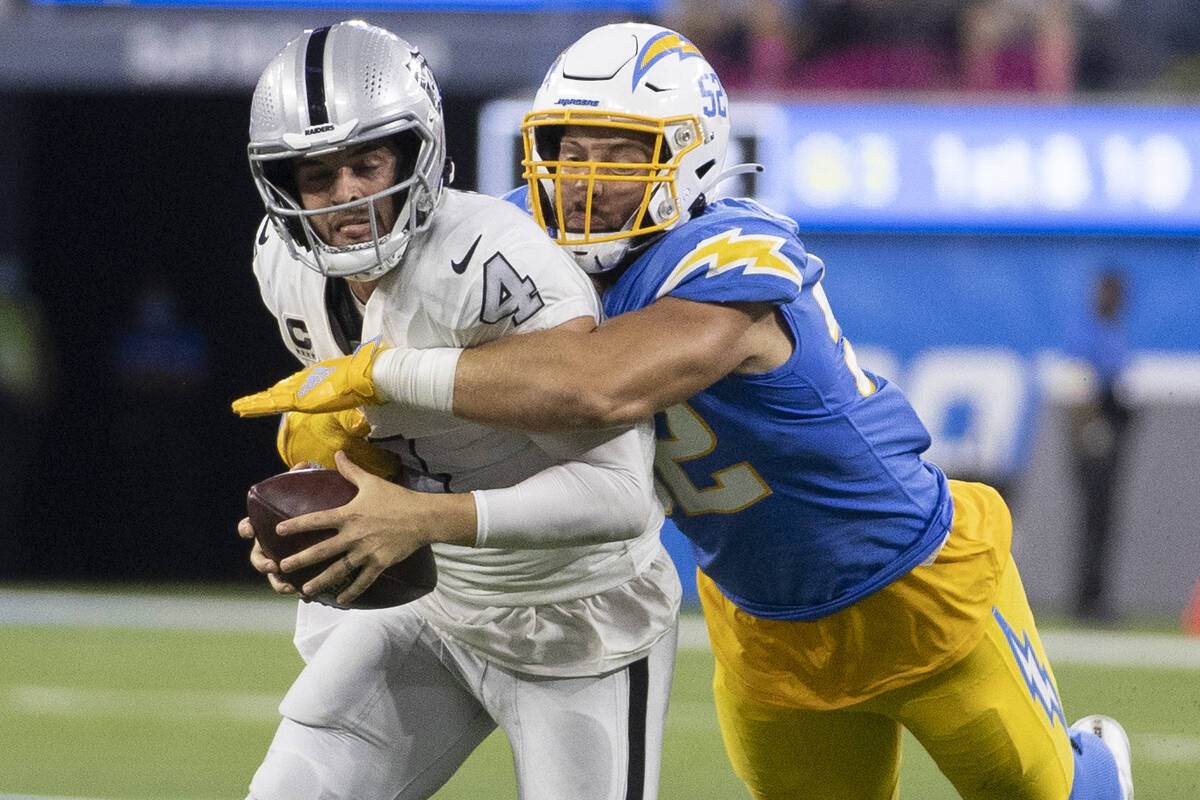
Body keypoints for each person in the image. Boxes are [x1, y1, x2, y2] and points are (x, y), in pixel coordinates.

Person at [235, 22, 1134, 800]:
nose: (583, 179)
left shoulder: (732, 256)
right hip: (762, 621)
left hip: (915, 582)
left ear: (689, 154)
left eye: (621, 153)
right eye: (568, 150)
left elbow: (597, 385)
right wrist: (345, 464)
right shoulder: (515, 244)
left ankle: (1099, 768)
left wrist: (381, 374)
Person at [231, 20, 680, 800]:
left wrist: (420, 518)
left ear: (417, 154)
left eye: (367, 164)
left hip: (579, 615)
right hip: (431, 599)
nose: (347, 196)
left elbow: (618, 494)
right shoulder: (284, 265)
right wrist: (318, 523)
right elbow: (384, 451)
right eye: (318, 175)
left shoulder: (492, 262)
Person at [1064, 268, 1134, 623]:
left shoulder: (1113, 331)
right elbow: (1079, 388)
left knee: (1104, 519)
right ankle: (1085, 598)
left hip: (1112, 427)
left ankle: (1096, 595)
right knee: (1093, 518)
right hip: (1095, 431)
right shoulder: (1087, 332)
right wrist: (1090, 429)